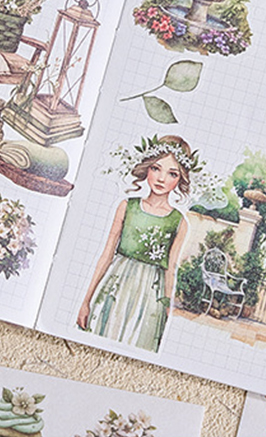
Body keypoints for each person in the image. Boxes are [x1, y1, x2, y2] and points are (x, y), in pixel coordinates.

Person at [76, 135, 193, 353]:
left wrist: (167, 306)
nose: (161, 178)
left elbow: (171, 268)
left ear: (180, 179)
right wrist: (86, 300)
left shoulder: (179, 222)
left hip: (150, 295)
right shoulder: (126, 206)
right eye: (156, 168)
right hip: (116, 285)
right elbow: (107, 255)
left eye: (172, 173)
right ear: (147, 167)